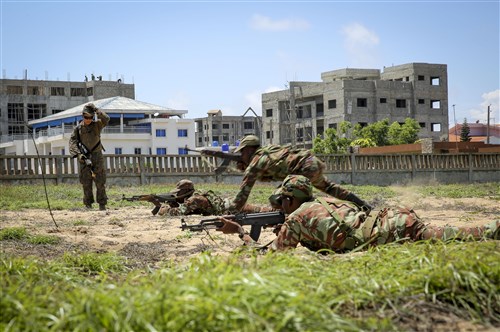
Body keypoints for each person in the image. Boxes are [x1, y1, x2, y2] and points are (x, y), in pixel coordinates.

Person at [217, 175, 498, 252]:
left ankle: (493, 228)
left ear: (290, 200)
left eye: (282, 202)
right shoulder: (326, 202)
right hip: (390, 219)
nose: (280, 207)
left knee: (454, 236)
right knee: (445, 233)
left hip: (392, 230)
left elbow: (267, 256)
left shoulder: (296, 219)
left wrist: (240, 232)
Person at [226, 135, 371, 213]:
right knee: (330, 188)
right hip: (312, 162)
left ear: (249, 150)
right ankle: (364, 206)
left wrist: (232, 211)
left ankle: (311, 215)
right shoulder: (268, 151)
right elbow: (271, 174)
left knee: (278, 198)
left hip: (304, 169)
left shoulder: (256, 161)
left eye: (242, 151)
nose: (241, 155)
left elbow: (243, 193)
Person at [158, 179, 274, 216]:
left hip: (230, 207)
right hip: (228, 205)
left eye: (179, 192)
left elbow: (179, 212)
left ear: (186, 191)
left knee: (262, 211)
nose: (177, 195)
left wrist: (165, 209)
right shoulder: (194, 197)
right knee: (260, 211)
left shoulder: (195, 199)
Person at [69, 103, 110, 210]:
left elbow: (106, 119)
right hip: (84, 157)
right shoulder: (78, 128)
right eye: (86, 117)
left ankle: (102, 204)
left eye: (90, 117)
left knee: (100, 180)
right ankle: (88, 204)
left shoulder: (97, 125)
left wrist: (96, 110)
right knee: (86, 182)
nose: (88, 119)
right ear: (82, 116)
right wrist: (79, 154)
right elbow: (73, 142)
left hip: (97, 155)